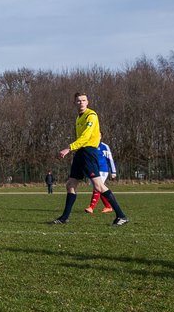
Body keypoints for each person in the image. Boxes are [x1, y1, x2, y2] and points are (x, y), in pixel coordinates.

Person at [52, 92, 128, 226]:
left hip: (88, 152)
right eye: (78, 101)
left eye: (83, 100)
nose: (81, 102)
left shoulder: (91, 116)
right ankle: (64, 218)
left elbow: (86, 137)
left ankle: (121, 216)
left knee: (98, 186)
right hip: (80, 153)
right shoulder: (78, 118)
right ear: (74, 103)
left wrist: (69, 148)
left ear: (87, 102)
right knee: (70, 185)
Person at [85, 141, 117, 213]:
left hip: (103, 170)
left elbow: (110, 159)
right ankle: (108, 206)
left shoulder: (104, 146)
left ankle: (91, 207)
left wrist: (113, 171)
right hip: (94, 169)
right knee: (101, 188)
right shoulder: (90, 145)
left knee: (97, 187)